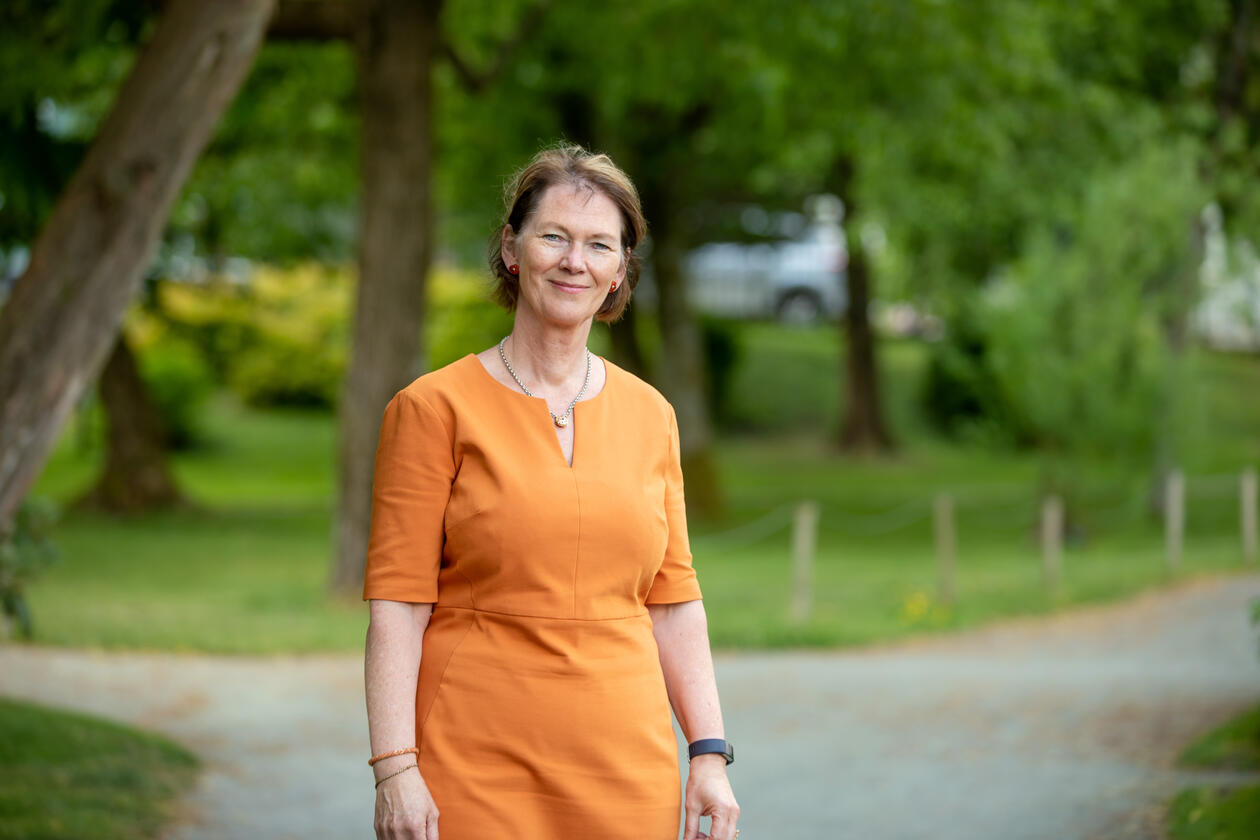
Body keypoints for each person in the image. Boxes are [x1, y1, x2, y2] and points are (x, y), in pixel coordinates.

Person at [362, 144, 740, 840]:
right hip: (471, 762)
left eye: (600, 244)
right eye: (555, 237)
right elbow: (398, 607)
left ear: (621, 269)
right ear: (512, 248)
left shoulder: (652, 414)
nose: (576, 261)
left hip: (626, 766)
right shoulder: (431, 409)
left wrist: (709, 754)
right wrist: (394, 768)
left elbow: (674, 604)